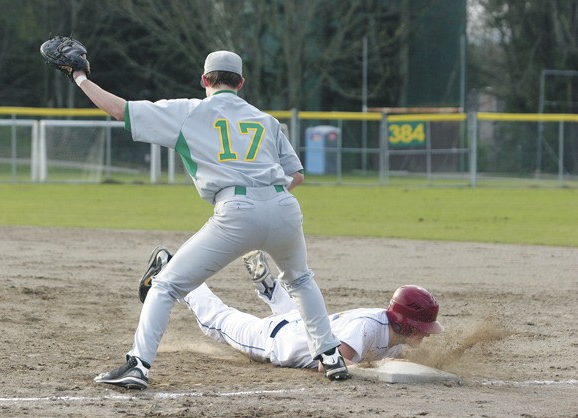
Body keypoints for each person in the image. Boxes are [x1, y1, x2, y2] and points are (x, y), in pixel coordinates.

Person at [75, 50, 349, 390]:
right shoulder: (264, 119)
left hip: (235, 210)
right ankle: (330, 357)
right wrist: (267, 199)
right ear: (241, 83)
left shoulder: (191, 111)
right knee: (301, 280)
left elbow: (119, 110)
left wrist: (80, 77)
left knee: (166, 285)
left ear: (205, 80)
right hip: (284, 205)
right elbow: (296, 175)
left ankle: (138, 365)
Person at [161, 249, 444, 371]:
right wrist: (380, 366)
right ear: (405, 324)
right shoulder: (366, 327)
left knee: (296, 315)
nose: (427, 335)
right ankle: (172, 269)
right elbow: (327, 365)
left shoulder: (392, 334)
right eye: (422, 328)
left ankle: (270, 288)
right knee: (216, 321)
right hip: (274, 339)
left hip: (300, 323)